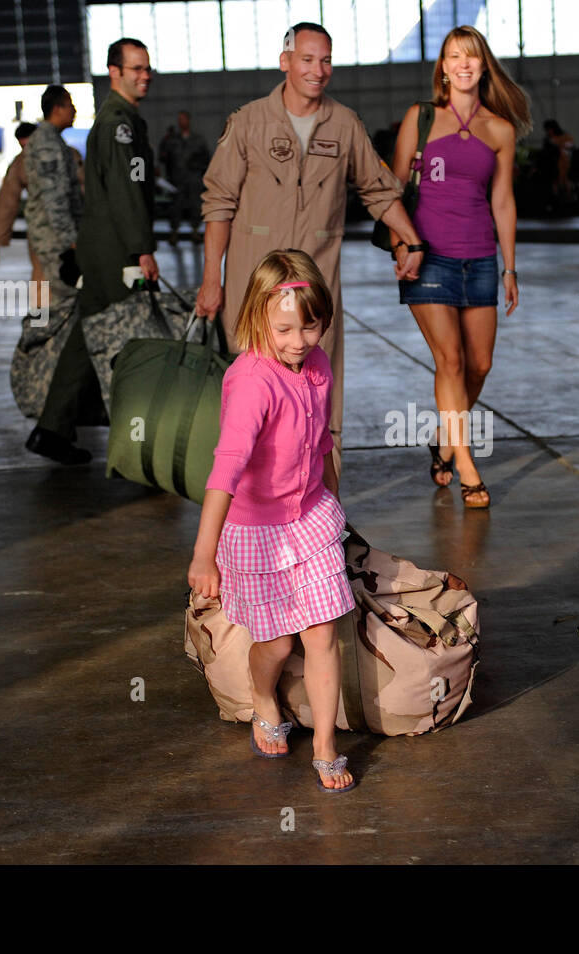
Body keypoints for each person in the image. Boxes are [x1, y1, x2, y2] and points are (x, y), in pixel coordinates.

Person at [198, 21, 426, 477]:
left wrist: (412, 239)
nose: (317, 70)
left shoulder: (343, 124)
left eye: (325, 60)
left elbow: (378, 190)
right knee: (254, 397)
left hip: (316, 292)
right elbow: (219, 203)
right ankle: (256, 511)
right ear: (286, 62)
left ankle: (323, 509)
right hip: (252, 284)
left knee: (320, 399)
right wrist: (211, 280)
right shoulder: (248, 122)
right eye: (307, 59)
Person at [187, 249, 357, 794]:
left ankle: (327, 745)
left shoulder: (319, 365)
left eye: (311, 326)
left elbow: (323, 441)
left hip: (309, 517)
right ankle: (264, 698)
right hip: (255, 530)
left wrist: (334, 506)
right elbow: (226, 470)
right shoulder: (251, 382)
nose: (299, 340)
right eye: (284, 328)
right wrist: (203, 554)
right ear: (258, 317)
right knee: (280, 644)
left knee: (323, 635)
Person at [390, 25, 531, 509]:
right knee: (449, 360)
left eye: (471, 56)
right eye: (453, 57)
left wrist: (510, 267)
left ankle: (444, 436)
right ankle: (466, 465)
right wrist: (400, 245)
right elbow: (393, 188)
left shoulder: (499, 130)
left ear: (483, 65)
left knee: (480, 364)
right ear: (443, 69)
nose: (463, 64)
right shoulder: (422, 118)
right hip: (429, 255)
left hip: (481, 259)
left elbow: (504, 201)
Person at [27, 38, 157, 466]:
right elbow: (125, 191)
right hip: (115, 252)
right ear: (113, 72)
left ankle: (52, 428)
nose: (144, 75)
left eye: (147, 68)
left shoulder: (114, 119)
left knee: (87, 335)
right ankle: (140, 442)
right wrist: (141, 250)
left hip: (100, 250)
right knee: (130, 340)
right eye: (135, 68)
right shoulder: (119, 123)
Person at [23, 85, 83, 314]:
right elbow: (54, 198)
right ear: (57, 109)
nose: (74, 110)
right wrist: (71, 239)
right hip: (55, 239)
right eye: (70, 105)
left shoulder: (53, 140)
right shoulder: (47, 143)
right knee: (63, 302)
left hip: (56, 236)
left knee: (64, 300)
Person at [0, 123, 39, 284]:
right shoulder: (20, 163)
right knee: (41, 277)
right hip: (41, 230)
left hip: (67, 228)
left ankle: (45, 308)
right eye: (23, 147)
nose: (27, 152)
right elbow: (6, 204)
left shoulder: (66, 154)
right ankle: (43, 309)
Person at [160, 110, 210, 245]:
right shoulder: (172, 140)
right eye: (179, 119)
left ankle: (195, 231)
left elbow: (207, 159)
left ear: (188, 120)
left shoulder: (198, 140)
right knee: (176, 206)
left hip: (194, 178)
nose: (181, 122)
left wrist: (197, 166)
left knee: (195, 205)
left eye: (184, 119)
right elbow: (164, 158)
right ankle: (174, 232)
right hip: (177, 179)